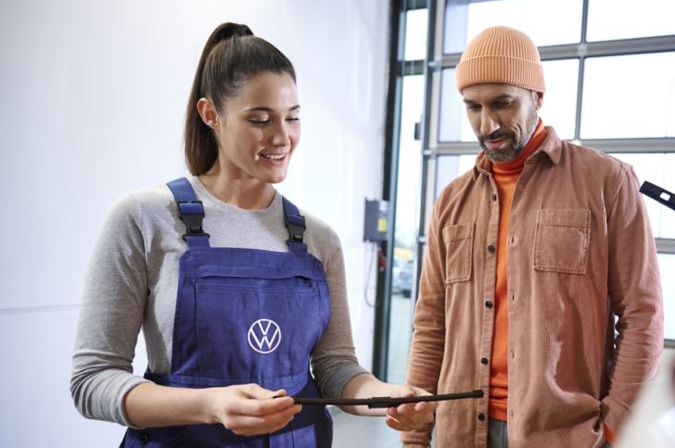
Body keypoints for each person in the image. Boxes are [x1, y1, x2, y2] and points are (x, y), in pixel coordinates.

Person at [70, 22, 433, 447]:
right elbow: (92, 380)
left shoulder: (319, 239)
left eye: (293, 118)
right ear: (211, 115)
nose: (282, 137)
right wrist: (210, 405)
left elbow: (337, 368)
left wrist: (385, 396)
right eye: (260, 119)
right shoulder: (144, 218)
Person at [401, 26, 663, 448]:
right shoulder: (451, 201)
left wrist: (616, 426)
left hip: (564, 435)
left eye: (503, 104)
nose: (488, 124)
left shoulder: (607, 183)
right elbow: (431, 321)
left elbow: (642, 315)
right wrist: (415, 432)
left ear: (537, 97)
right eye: (473, 108)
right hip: (460, 432)